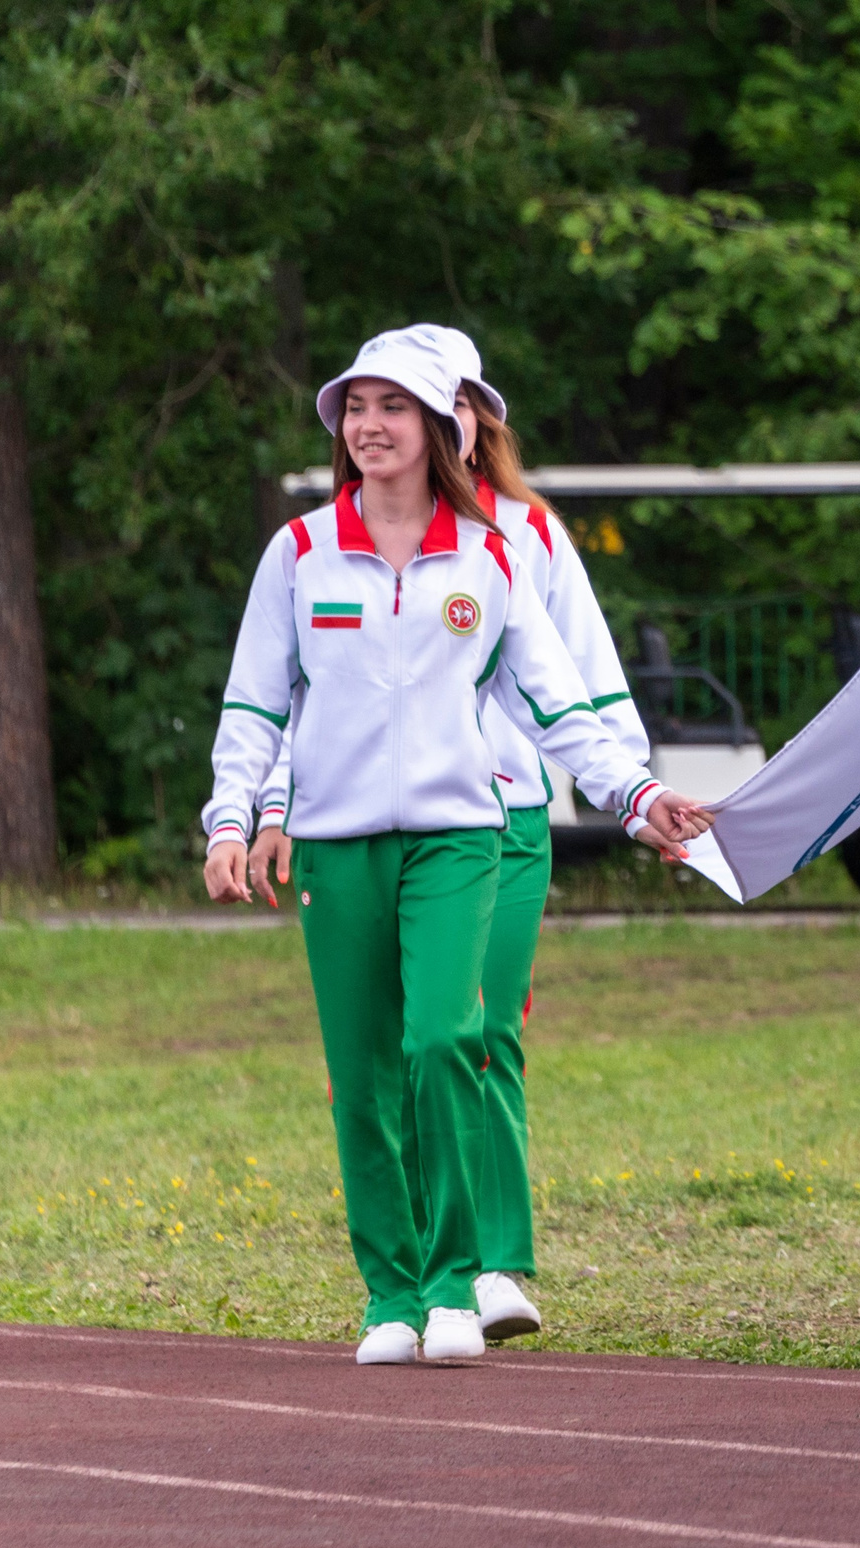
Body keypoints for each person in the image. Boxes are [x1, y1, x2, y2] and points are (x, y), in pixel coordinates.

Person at [203, 328, 706, 1366]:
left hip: (459, 837)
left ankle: (452, 1283)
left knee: (444, 1039)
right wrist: (231, 818)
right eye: (356, 407)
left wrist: (636, 791)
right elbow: (257, 703)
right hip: (336, 847)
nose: (369, 425)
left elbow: (557, 703)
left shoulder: (493, 553)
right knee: (363, 1075)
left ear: (440, 426)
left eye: (393, 407)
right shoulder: (298, 552)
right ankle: (390, 1295)